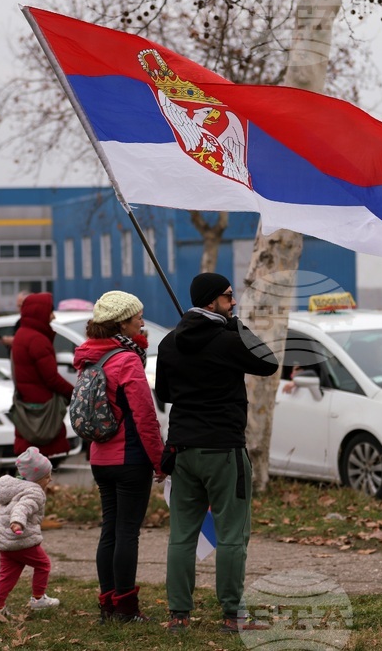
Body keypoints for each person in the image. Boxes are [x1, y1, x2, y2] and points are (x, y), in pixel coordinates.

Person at [155, 272, 279, 634]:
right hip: (223, 448)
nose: (234, 302)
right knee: (231, 536)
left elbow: (164, 391)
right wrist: (237, 327)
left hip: (182, 449)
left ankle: (178, 614)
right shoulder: (228, 339)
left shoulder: (169, 342)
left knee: (182, 536)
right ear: (211, 302)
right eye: (228, 297)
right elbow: (268, 363)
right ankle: (232, 615)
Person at [72, 291, 166, 624]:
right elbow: (145, 416)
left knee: (109, 530)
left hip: (100, 459)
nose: (143, 321)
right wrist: (160, 461)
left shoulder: (90, 357)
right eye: (138, 317)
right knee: (127, 532)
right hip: (130, 459)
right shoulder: (126, 360)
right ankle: (126, 608)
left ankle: (108, 604)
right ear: (122, 324)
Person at [0, 446, 60, 617]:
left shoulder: (12, 487)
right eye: (46, 476)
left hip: (6, 543)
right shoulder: (34, 491)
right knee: (43, 565)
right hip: (22, 540)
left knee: (7, 575)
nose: (49, 480)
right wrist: (17, 522)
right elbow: (22, 508)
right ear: (36, 479)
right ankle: (38, 599)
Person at [10, 292, 74, 458]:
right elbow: (51, 378)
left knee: (29, 461)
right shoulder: (37, 340)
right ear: (41, 313)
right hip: (43, 409)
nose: (53, 317)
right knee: (40, 461)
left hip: (27, 405)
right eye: (50, 312)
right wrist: (74, 393)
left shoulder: (21, 335)